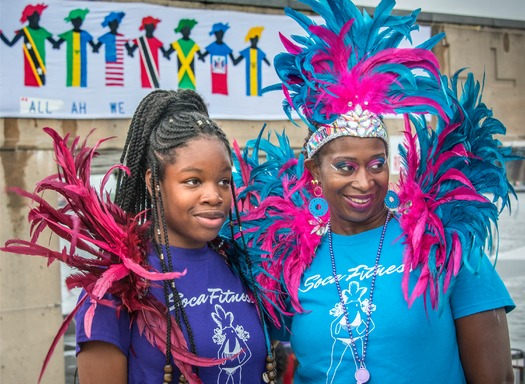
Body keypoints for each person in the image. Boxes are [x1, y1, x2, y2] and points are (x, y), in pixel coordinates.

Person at [224, 0, 517, 383]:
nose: (364, 182)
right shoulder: (289, 259)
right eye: (346, 167)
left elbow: (496, 378)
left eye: (377, 164)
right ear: (314, 174)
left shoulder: (444, 240)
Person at [2, 89, 277, 384]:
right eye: (193, 181)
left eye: (223, 181)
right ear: (153, 182)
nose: (214, 195)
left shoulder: (240, 266)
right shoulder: (115, 286)